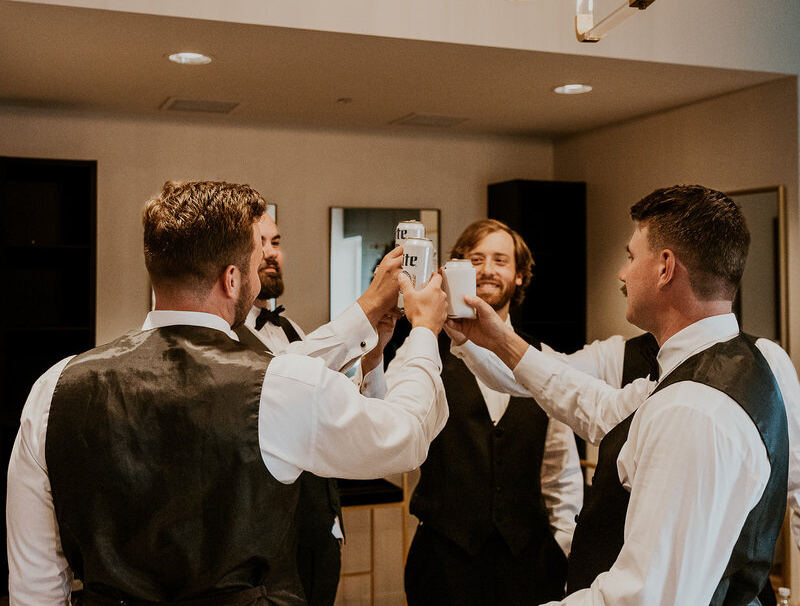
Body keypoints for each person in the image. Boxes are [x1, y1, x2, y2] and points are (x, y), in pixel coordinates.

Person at [6, 180, 449, 605]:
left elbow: (37, 580)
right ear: (232, 279)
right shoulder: (277, 384)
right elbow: (406, 437)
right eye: (257, 261)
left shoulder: (54, 387)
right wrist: (425, 332)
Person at [449, 185, 792, 605]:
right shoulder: (728, 366)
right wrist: (495, 339)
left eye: (631, 257)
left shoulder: (691, 409)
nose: (622, 274)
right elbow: (591, 404)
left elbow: (644, 598)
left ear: (665, 268)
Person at [372, 219, 584, 605]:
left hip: (530, 564)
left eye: (501, 260)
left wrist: (562, 550)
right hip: (443, 561)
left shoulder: (544, 360)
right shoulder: (422, 350)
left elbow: (560, 470)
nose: (488, 269)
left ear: (519, 276)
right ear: (456, 271)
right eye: (476, 259)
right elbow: (385, 424)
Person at [233, 209, 392, 605]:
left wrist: (373, 357)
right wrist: (368, 304)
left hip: (317, 527)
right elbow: (279, 381)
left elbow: (341, 411)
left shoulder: (292, 332)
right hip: (261, 543)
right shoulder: (227, 339)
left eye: (277, 242)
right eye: (259, 243)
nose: (271, 253)